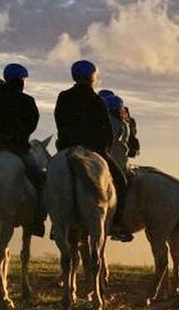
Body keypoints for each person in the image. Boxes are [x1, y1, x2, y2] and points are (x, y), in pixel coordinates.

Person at [54, 60, 133, 242]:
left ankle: (50, 222)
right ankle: (118, 223)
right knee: (120, 181)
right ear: (92, 77)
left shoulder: (63, 96)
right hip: (92, 149)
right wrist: (102, 151)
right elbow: (105, 130)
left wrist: (64, 145)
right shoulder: (97, 100)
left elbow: (60, 121)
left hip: (67, 148)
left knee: (45, 180)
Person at [0, 64, 46, 236]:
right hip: (17, 149)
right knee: (40, 179)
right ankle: (37, 219)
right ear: (23, 80)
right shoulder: (28, 100)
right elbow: (32, 124)